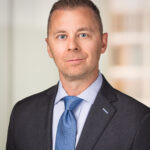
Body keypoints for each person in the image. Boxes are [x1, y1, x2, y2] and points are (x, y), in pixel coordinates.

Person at [6, 0, 150, 150]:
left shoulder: (139, 120)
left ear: (103, 42)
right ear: (49, 47)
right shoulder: (22, 114)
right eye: (62, 36)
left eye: (83, 35)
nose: (72, 46)